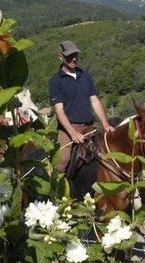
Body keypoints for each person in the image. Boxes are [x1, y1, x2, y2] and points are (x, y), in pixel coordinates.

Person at [48, 40, 114, 177]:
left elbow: (94, 101)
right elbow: (59, 111)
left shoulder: (85, 76)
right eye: (69, 56)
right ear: (60, 56)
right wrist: (72, 133)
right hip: (68, 128)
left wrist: (105, 124)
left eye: (75, 55)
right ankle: (57, 191)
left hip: (89, 126)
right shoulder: (55, 81)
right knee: (62, 160)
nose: (73, 58)